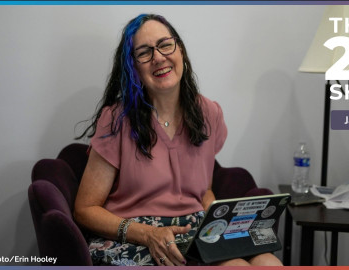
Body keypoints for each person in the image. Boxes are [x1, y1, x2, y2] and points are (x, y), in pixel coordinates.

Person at [74, 13, 283, 266]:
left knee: (269, 263)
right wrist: (147, 233)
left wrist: (224, 222)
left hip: (196, 232)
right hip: (137, 237)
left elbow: (202, 190)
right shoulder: (117, 119)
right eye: (144, 52)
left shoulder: (209, 113)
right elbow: (85, 210)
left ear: (180, 50)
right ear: (133, 68)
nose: (158, 57)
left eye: (165, 45)